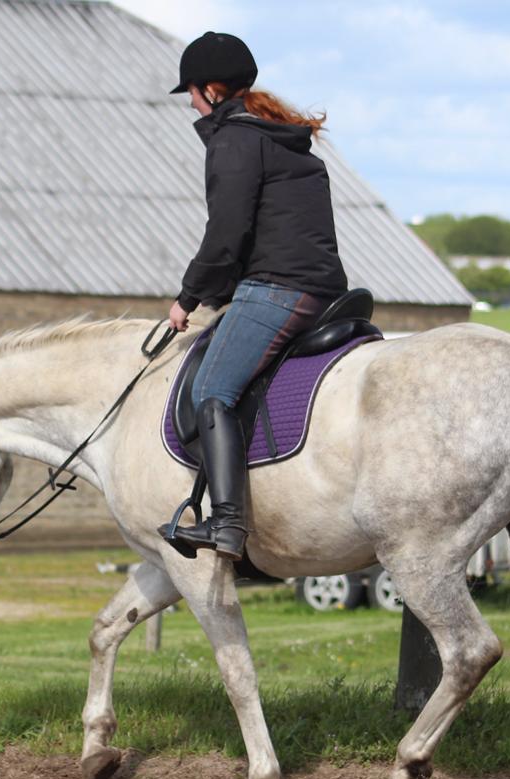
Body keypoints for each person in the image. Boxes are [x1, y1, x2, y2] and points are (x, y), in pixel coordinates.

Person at [159, 31, 348, 561]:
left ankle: (226, 525)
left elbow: (226, 235)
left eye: (192, 93)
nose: (191, 104)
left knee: (212, 390)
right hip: (324, 288)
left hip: (279, 289)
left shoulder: (234, 141)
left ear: (213, 91)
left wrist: (188, 299)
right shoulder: (282, 136)